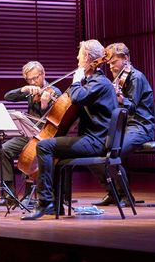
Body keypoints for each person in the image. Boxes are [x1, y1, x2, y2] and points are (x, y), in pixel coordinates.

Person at [24, 40, 117, 220]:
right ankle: (55, 205)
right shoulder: (94, 82)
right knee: (54, 151)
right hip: (94, 139)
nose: (76, 58)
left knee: (45, 146)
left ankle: (45, 202)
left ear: (88, 57)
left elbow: (76, 97)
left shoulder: (99, 83)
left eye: (79, 55)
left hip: (95, 142)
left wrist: (76, 80)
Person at [93, 42, 155, 205]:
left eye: (114, 62)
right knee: (93, 150)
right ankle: (112, 192)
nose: (111, 67)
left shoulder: (136, 77)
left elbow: (132, 107)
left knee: (113, 153)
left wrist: (119, 97)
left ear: (126, 59)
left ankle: (127, 196)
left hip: (140, 127)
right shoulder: (118, 80)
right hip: (124, 127)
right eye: (109, 63)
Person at [0, 61, 61, 207]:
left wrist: (45, 106)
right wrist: (24, 89)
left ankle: (29, 195)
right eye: (29, 79)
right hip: (28, 134)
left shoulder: (54, 92)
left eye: (35, 78)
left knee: (30, 153)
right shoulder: (30, 91)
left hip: (46, 136)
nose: (33, 82)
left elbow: (57, 117)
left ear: (43, 74)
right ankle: (9, 194)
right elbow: (8, 96)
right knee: (2, 151)